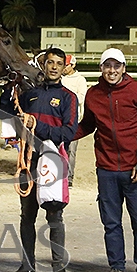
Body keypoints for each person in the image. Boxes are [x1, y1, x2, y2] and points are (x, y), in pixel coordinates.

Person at [74, 48, 137, 272]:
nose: (112, 71)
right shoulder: (93, 94)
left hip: (135, 169)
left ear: (124, 68)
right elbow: (87, 125)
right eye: (107, 66)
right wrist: (60, 135)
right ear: (101, 68)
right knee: (111, 223)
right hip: (107, 169)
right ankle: (116, 268)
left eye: (116, 66)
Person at [0, 48, 78, 272]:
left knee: (54, 215)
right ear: (43, 65)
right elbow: (6, 114)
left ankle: (59, 270)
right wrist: (8, 88)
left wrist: (37, 125)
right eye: (50, 62)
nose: (53, 67)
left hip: (52, 162)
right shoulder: (30, 94)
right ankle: (27, 265)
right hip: (28, 161)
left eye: (58, 63)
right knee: (27, 215)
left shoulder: (68, 97)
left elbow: (68, 132)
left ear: (64, 68)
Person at [60, 54, 87, 186]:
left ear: (73, 65)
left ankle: (69, 177)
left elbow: (81, 98)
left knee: (71, 150)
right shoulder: (59, 78)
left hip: (73, 120)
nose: (63, 68)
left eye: (66, 65)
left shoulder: (80, 80)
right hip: (59, 120)